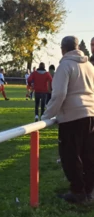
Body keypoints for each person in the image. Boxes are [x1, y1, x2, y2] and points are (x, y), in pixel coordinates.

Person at [42, 36, 94, 204]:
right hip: (91, 115)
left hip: (72, 117)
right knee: (88, 155)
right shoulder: (89, 66)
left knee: (70, 156)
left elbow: (59, 95)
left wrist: (46, 116)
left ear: (63, 49)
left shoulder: (65, 66)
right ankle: (89, 190)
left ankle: (78, 192)